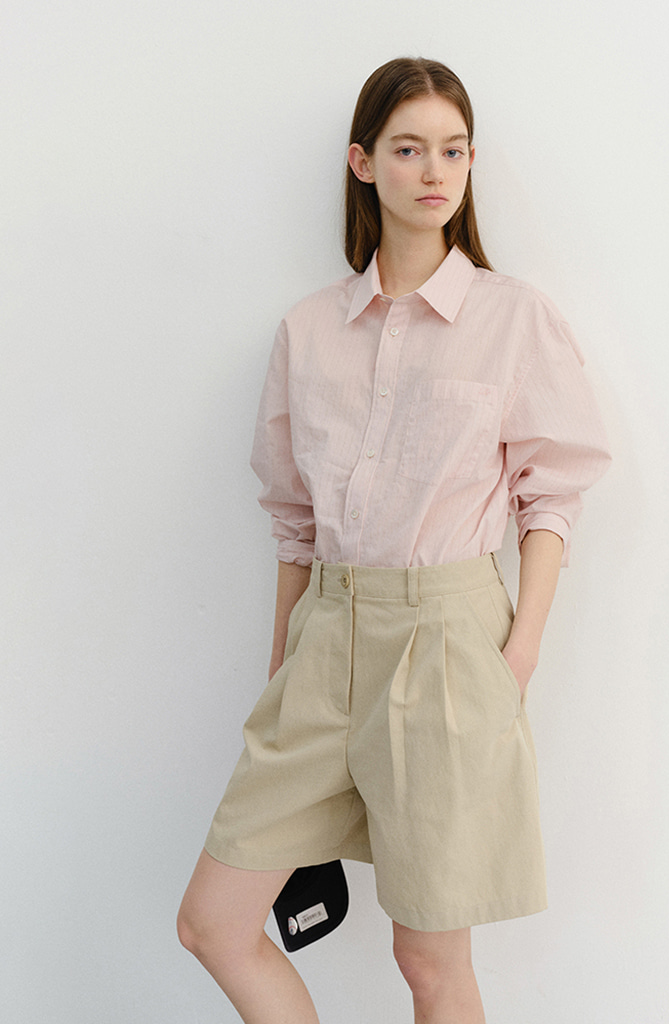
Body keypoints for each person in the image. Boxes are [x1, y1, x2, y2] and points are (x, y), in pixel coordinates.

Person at [177, 56, 611, 1024]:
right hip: (323, 642)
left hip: (448, 642)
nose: (434, 171)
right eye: (409, 149)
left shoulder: (512, 317)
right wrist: (284, 664)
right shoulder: (308, 330)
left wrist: (517, 655)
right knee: (214, 923)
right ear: (363, 162)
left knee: (427, 958)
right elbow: (293, 523)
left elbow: (552, 496)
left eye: (453, 150)